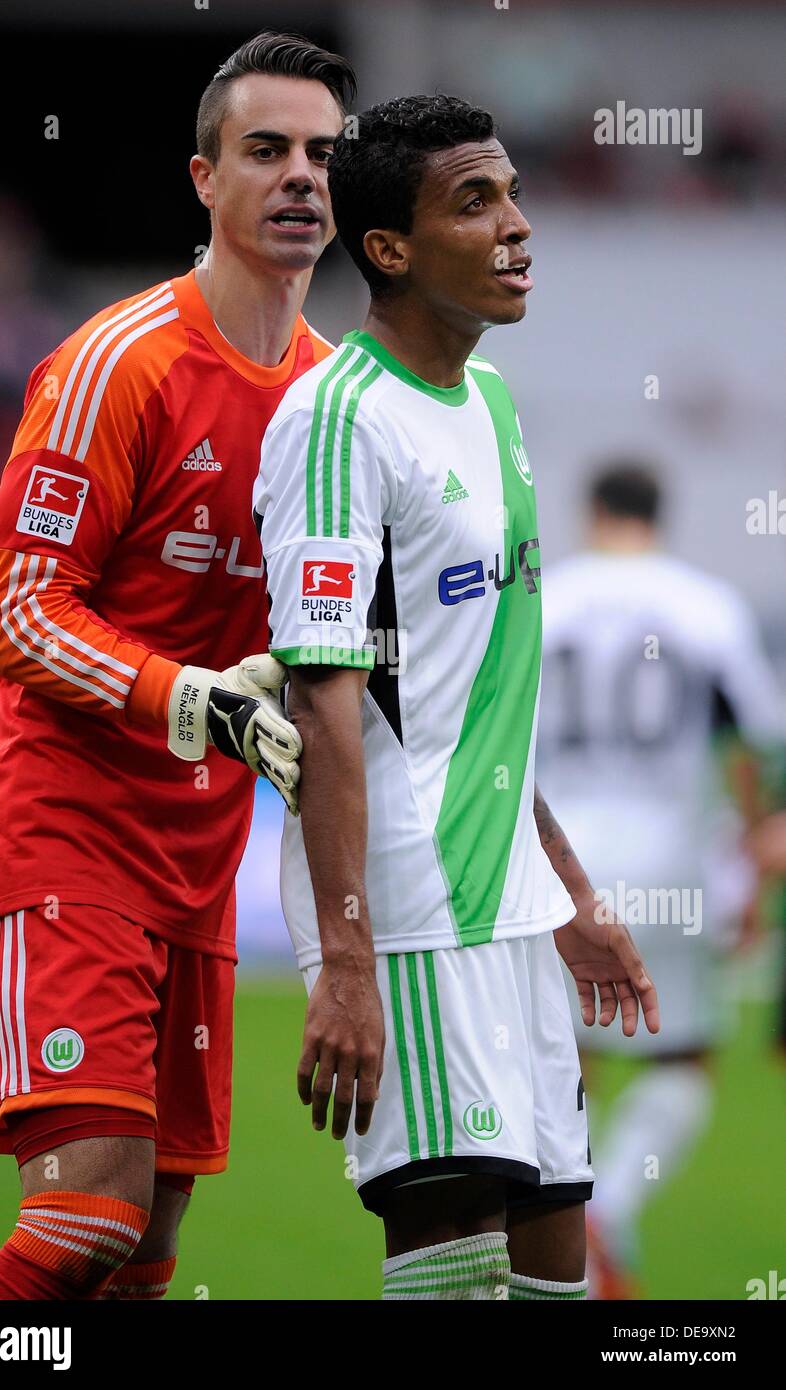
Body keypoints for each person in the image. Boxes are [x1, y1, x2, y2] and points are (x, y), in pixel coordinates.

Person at [0, 30, 356, 1301]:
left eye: (322, 155)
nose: (300, 177)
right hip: (59, 831)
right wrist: (190, 695)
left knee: (148, 1254)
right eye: (266, 150)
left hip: (195, 865)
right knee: (86, 1221)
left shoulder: (336, 402)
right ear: (201, 179)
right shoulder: (118, 363)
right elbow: (17, 608)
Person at [253, 94, 659, 1301]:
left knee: (549, 1280)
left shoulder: (490, 405)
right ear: (386, 248)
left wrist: (570, 889)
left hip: (514, 916)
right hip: (413, 920)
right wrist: (341, 959)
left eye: (513, 194)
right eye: (474, 203)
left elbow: (478, 693)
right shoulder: (335, 423)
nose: (516, 226)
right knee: (455, 1286)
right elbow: (327, 702)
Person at [536, 463, 785, 1296]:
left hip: (556, 860)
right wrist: (754, 855)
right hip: (673, 860)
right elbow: (758, 739)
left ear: (592, 510)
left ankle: (564, 1230)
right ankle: (607, 1212)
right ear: (660, 516)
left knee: (563, 1056)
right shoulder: (705, 605)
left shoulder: (547, 597)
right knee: (682, 1058)